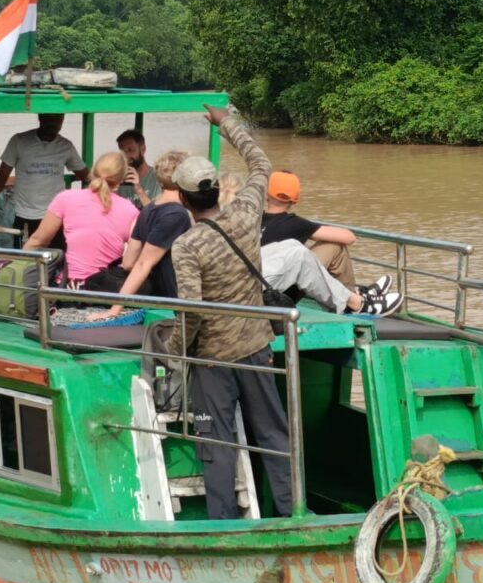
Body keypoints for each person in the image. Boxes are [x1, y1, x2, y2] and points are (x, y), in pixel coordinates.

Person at [167, 106, 292, 520]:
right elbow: (261, 162)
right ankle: (293, 513)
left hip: (214, 361)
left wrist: (174, 351)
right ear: (219, 190)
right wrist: (227, 124)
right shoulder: (246, 211)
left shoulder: (187, 246)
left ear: (183, 199)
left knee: (216, 443)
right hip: (258, 348)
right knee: (274, 436)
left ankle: (222, 523)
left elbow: (191, 310)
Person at [222, 173, 400, 316]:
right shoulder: (295, 223)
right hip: (279, 291)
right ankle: (354, 301)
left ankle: (355, 296)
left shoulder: (252, 218)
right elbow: (349, 237)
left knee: (296, 248)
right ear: (294, 200)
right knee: (335, 246)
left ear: (266, 194)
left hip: (258, 282)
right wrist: (314, 228)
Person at [95, 150, 193, 318]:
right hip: (176, 298)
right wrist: (115, 309)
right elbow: (142, 264)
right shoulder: (178, 214)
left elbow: (128, 262)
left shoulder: (148, 210)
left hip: (157, 294)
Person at [0, 114, 88, 245]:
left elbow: (87, 176)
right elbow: (0, 178)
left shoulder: (66, 146)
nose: (52, 123)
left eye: (57, 120)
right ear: (40, 117)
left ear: (62, 120)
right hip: (25, 218)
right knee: (25, 263)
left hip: (55, 218)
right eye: (49, 119)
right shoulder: (19, 141)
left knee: (55, 261)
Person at [23, 151, 138, 286]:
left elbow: (37, 241)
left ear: (94, 171)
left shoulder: (66, 198)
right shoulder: (131, 210)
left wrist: (16, 265)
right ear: (120, 180)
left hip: (71, 286)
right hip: (107, 288)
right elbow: (134, 257)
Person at [116, 129, 161, 209]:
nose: (126, 156)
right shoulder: (118, 179)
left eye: (130, 150)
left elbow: (157, 214)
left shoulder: (158, 177)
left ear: (143, 149)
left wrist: (139, 189)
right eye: (122, 152)